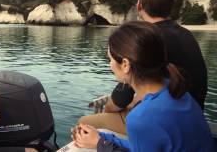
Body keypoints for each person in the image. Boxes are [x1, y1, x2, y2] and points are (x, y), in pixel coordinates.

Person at [78, 0, 208, 135]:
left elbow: (118, 102)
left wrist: (107, 108)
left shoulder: (148, 39)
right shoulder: (186, 35)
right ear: (171, 4)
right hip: (191, 114)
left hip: (168, 124)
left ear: (139, 5)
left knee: (85, 123)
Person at [73, 21, 216, 152]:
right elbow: (145, 146)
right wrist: (101, 138)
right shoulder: (175, 88)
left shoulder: (141, 118)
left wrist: (100, 145)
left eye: (109, 59)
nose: (110, 64)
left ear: (125, 65)